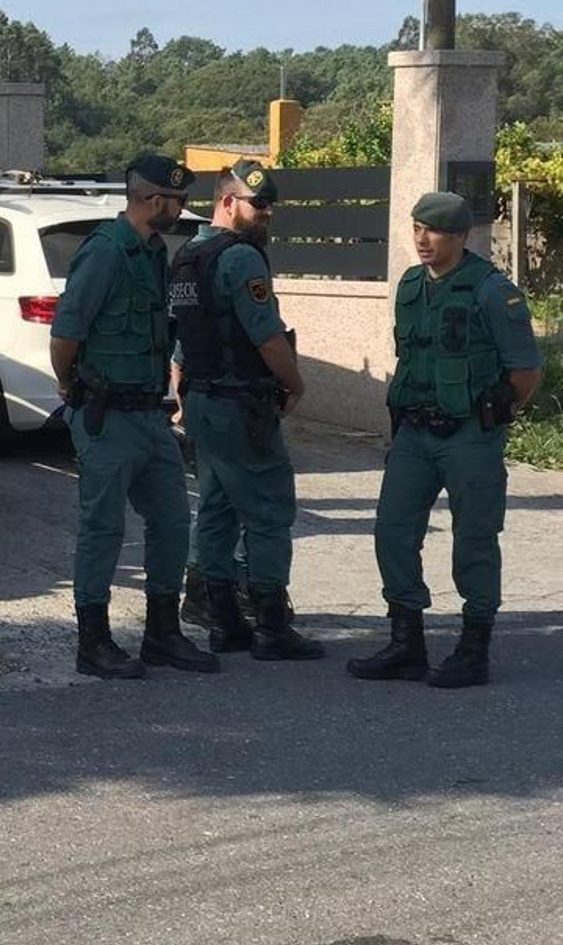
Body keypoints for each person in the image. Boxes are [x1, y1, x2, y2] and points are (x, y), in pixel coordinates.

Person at [350, 192, 542, 688]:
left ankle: (473, 650)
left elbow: (524, 371)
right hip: (414, 432)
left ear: (460, 236)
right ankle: (406, 643)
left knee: (474, 539)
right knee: (392, 531)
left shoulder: (493, 292)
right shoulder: (412, 284)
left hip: (469, 436)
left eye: (433, 231)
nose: (422, 239)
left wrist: (493, 419)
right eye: (417, 228)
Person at [47, 154, 215, 679]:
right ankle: (92, 643)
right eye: (178, 201)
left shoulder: (150, 252)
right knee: (103, 527)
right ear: (155, 200)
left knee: (171, 520)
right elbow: (65, 336)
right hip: (107, 415)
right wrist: (71, 385)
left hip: (149, 415)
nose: (182, 209)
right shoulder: (106, 254)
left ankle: (162, 634)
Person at [169, 160, 323, 660]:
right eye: (258, 204)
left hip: (203, 400)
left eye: (271, 204)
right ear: (228, 201)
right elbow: (267, 337)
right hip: (240, 403)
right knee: (270, 510)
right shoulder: (241, 259)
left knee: (217, 505)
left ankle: (226, 623)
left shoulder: (188, 255)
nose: (267, 213)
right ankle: (273, 626)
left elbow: (183, 343)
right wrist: (293, 383)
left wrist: (181, 397)